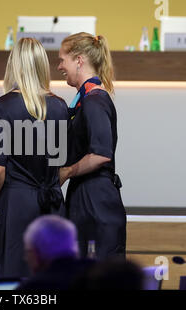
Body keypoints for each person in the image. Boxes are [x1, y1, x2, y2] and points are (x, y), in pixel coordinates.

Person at [0, 38, 68, 278]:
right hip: (53, 203)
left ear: (13, 65)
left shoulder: (0, 107)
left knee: (14, 276)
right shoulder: (60, 106)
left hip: (18, 206)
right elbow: (61, 166)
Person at [58, 32, 126, 260]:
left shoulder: (94, 100)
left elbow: (101, 154)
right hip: (86, 198)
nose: (59, 66)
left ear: (79, 60)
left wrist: (66, 172)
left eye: (62, 60)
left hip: (96, 202)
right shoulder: (84, 99)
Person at [17, 215, 95, 290]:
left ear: (36, 254)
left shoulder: (33, 287)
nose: (25, 258)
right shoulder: (100, 275)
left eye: (28, 252)